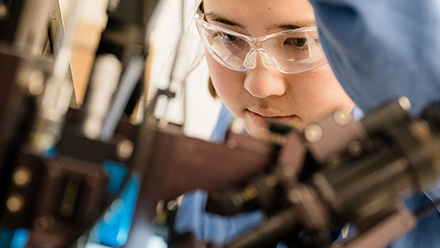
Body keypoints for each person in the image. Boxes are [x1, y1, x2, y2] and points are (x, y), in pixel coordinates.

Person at [175, 0, 440, 247]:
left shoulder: (426, 180)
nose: (259, 86)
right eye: (228, 37)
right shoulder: (243, 126)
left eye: (299, 42)